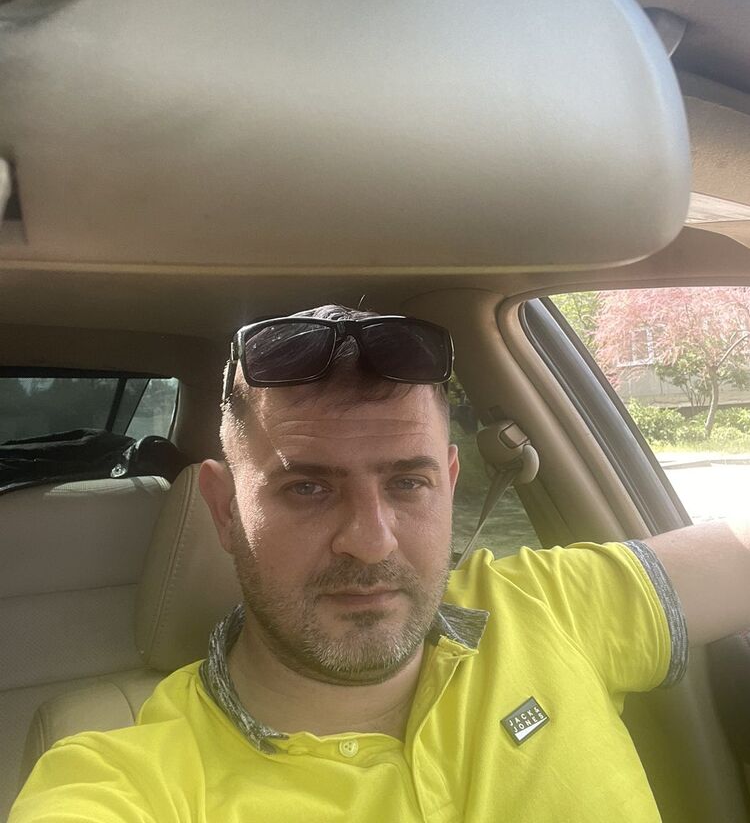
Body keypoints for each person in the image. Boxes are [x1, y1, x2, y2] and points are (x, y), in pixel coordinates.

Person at [10, 305, 750, 822]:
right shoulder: (126, 780)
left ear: (449, 485)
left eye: (407, 484)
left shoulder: (549, 604)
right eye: (307, 488)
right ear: (225, 509)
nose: (371, 542)